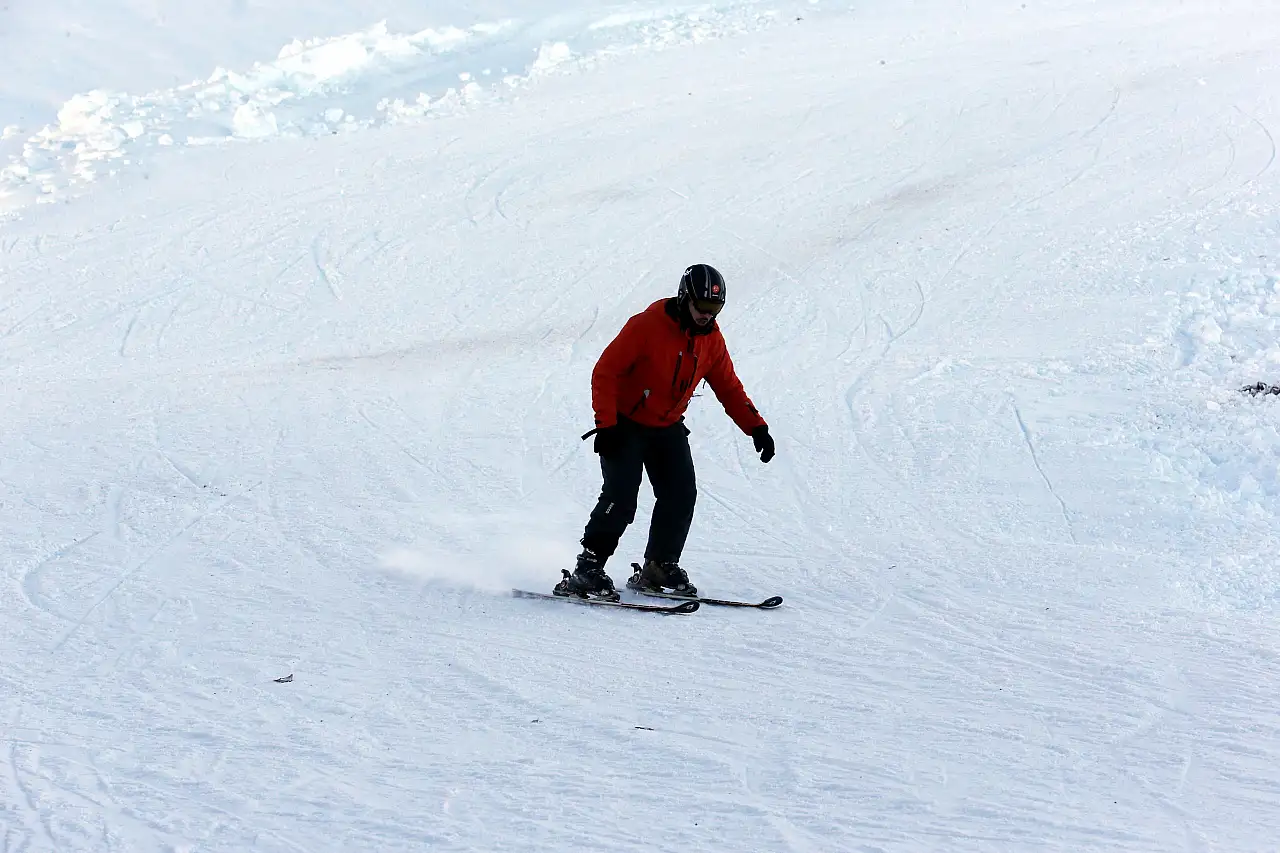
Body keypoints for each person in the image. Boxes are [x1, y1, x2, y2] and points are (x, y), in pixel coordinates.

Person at [553, 263, 775, 601]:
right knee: (621, 497)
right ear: (685, 298)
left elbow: (728, 387)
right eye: (702, 307)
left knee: (681, 494)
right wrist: (606, 424)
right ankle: (588, 569)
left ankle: (659, 565)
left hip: (667, 426)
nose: (707, 315)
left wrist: (756, 428)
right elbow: (605, 372)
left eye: (715, 309)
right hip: (624, 425)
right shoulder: (646, 326)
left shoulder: (711, 340)